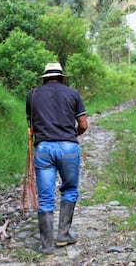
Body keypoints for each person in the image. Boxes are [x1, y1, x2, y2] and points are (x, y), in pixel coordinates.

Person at [26, 62, 88, 257]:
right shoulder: (73, 94)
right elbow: (84, 125)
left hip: (43, 148)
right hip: (68, 147)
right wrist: (73, 134)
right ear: (62, 77)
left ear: (44, 77)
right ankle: (63, 235)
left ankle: (46, 246)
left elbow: (31, 127)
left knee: (45, 197)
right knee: (69, 189)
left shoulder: (33, 95)